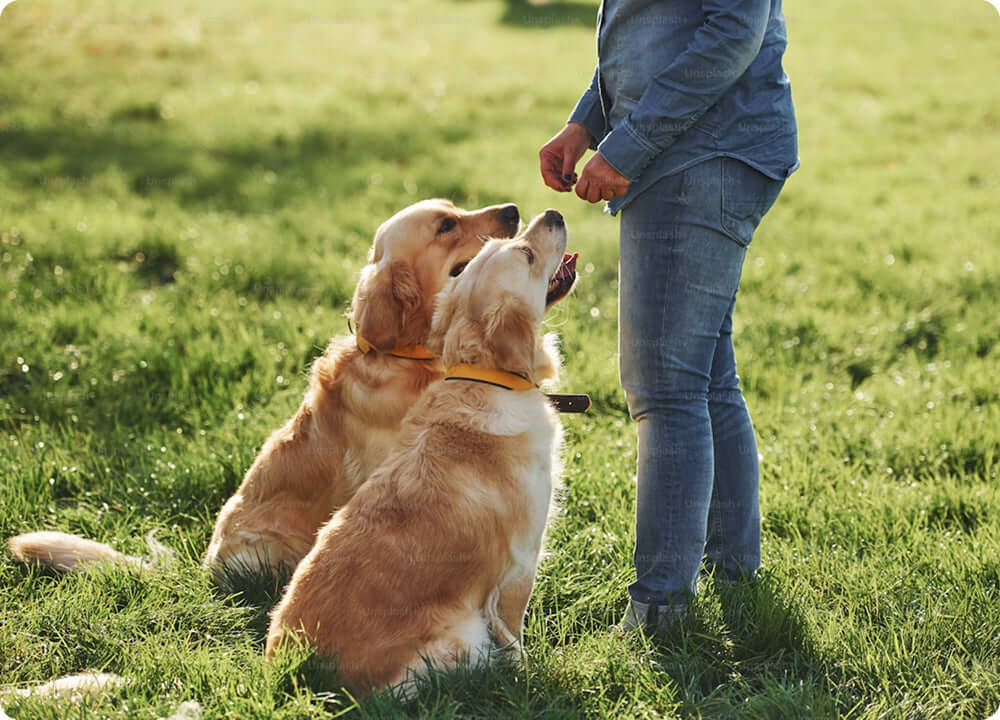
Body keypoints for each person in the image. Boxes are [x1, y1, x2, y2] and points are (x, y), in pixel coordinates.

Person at [539, 0, 798, 633]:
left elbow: (734, 30)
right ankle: (732, 574)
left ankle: (659, 611)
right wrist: (587, 122)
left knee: (665, 386)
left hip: (699, 154)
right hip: (697, 149)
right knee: (705, 378)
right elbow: (654, 30)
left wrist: (628, 145)